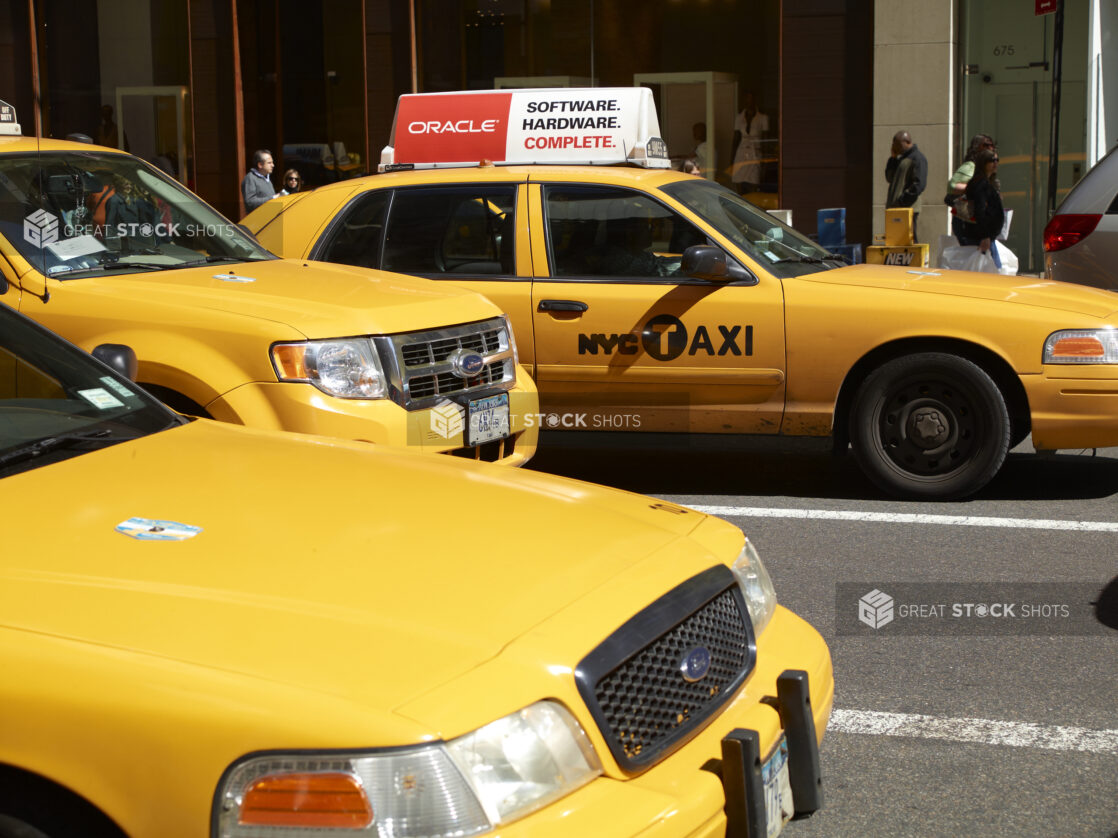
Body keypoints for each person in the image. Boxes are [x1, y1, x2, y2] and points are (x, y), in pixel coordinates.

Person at [946, 133, 995, 243]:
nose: (991, 148)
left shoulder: (984, 169)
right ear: (976, 147)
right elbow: (952, 186)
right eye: (986, 145)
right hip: (967, 221)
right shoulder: (970, 166)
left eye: (992, 145)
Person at [958, 148, 1004, 255]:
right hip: (981, 238)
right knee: (992, 269)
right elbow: (980, 211)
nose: (995, 163)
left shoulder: (985, 183)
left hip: (985, 236)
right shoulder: (980, 184)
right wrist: (985, 236)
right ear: (983, 162)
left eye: (997, 160)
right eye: (992, 160)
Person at [884, 130, 928, 242]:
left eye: (897, 144)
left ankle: (917, 260)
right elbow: (889, 177)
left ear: (907, 142)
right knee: (896, 240)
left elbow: (919, 184)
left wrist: (902, 201)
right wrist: (893, 158)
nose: (895, 147)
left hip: (908, 208)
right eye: (894, 144)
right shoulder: (900, 159)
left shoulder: (917, 158)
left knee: (910, 239)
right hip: (895, 208)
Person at [731, 92, 769, 194]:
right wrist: (732, 159)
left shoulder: (762, 118)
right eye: (747, 99)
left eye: (751, 99)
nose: (749, 102)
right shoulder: (739, 117)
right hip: (741, 151)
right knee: (738, 180)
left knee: (754, 181)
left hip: (755, 151)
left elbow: (765, 140)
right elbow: (736, 138)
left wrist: (765, 161)